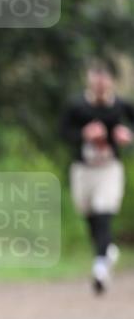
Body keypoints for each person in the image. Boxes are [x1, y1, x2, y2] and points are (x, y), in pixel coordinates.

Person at [60, 58, 133, 293]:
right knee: (90, 216)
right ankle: (106, 250)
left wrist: (127, 135)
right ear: (89, 79)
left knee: (104, 212)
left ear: (111, 81)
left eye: (104, 77)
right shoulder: (77, 106)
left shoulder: (120, 106)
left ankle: (100, 268)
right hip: (83, 170)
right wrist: (83, 134)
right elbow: (62, 132)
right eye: (96, 76)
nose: (100, 82)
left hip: (109, 169)